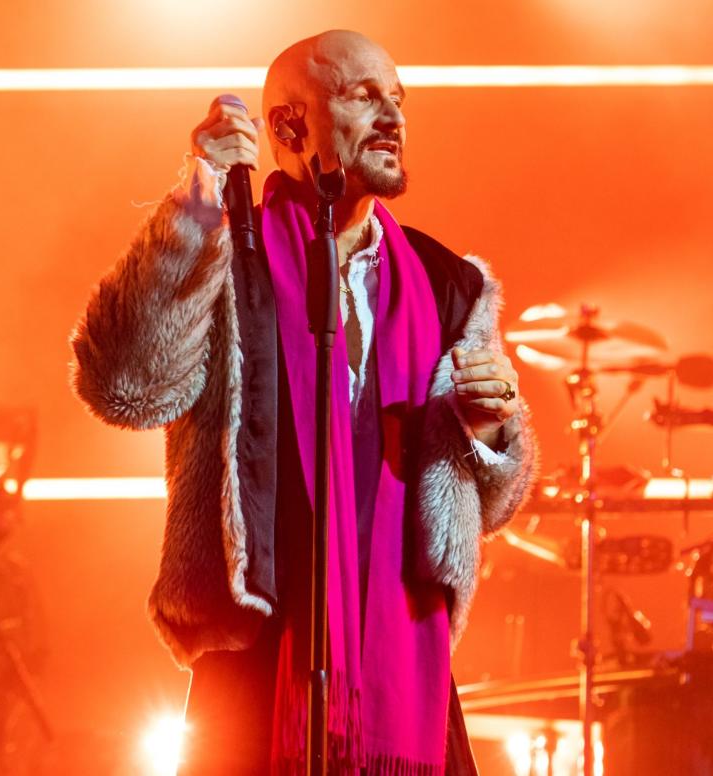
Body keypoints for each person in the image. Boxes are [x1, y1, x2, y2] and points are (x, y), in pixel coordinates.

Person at [70, 29, 536, 776]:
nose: (392, 118)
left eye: (398, 99)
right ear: (288, 126)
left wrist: (486, 433)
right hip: (256, 659)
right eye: (362, 96)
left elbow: (490, 504)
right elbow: (125, 388)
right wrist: (192, 213)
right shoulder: (227, 255)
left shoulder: (447, 282)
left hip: (404, 678)